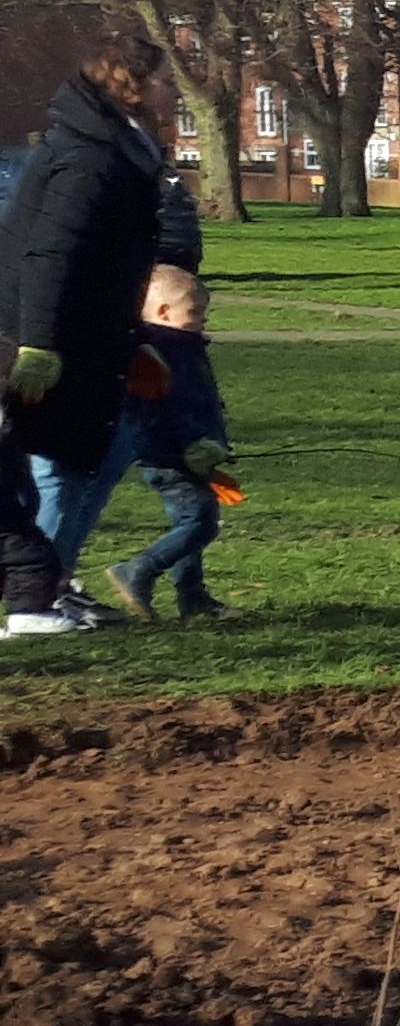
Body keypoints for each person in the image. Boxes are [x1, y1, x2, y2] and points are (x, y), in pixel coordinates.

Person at [4, 53, 179, 636]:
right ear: (129, 87)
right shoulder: (89, 158)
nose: (173, 92)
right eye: (163, 81)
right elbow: (48, 256)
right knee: (63, 465)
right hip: (44, 337)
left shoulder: (119, 150)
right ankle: (34, 600)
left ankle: (48, 586)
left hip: (89, 335)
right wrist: (36, 343)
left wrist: (130, 341)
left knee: (91, 457)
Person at [95, 266, 232, 621]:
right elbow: (171, 405)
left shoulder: (184, 346)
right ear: (162, 312)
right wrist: (193, 444)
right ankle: (138, 569)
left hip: (189, 450)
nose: (202, 319)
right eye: (195, 311)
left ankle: (192, 596)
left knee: (190, 520)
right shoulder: (162, 352)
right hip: (171, 453)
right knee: (201, 520)